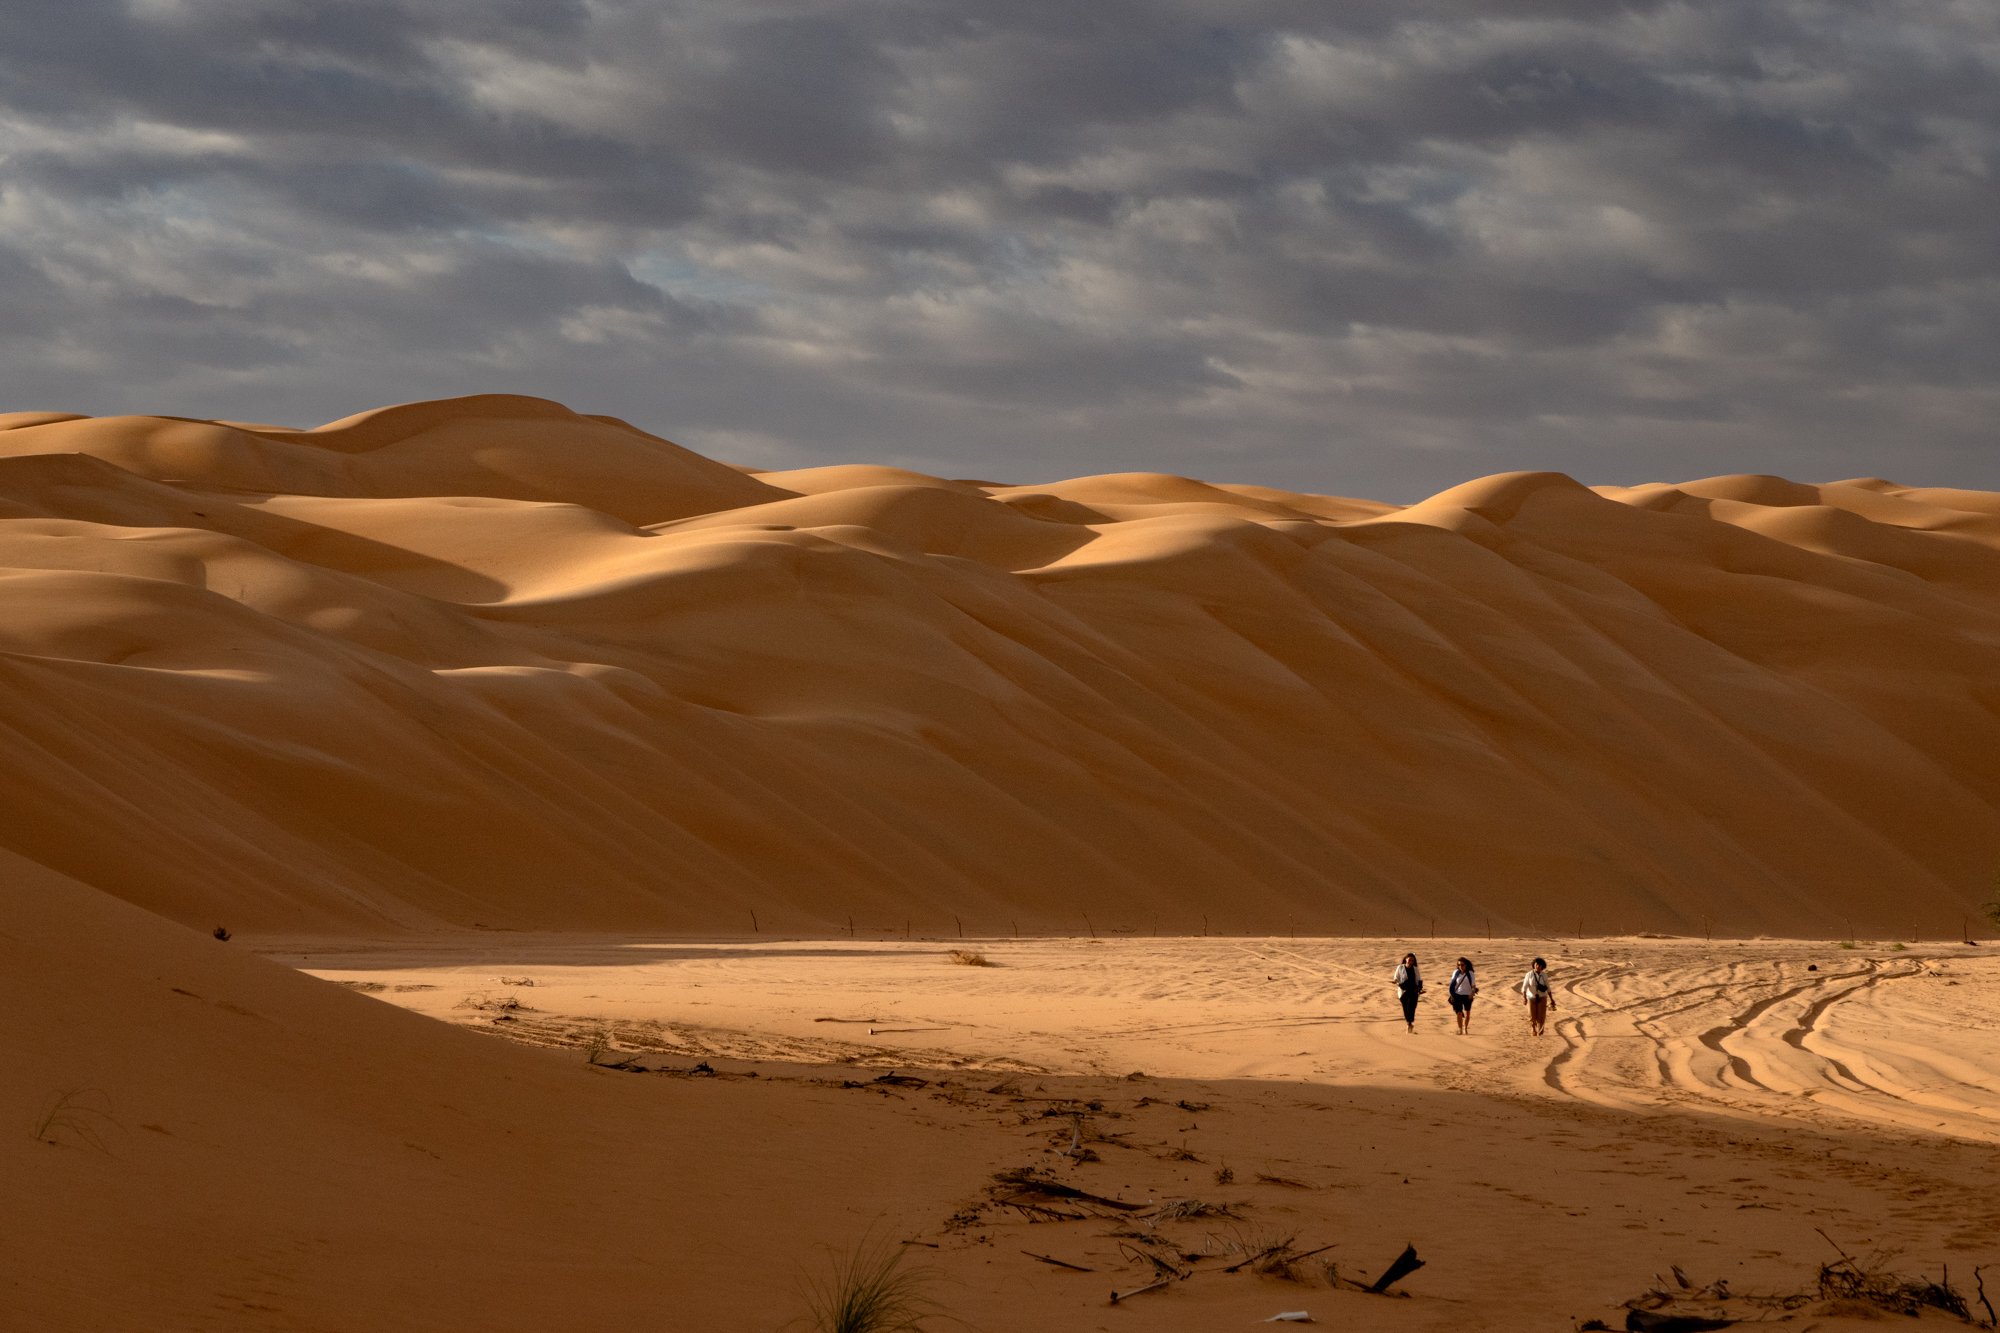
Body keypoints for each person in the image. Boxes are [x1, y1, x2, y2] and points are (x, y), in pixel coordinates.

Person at [1520, 956, 1555, 1036]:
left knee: (1541, 1016)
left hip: (1542, 997)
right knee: (1532, 1015)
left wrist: (1552, 999)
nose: (1538, 966)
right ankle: (1533, 1029)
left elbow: (1548, 987)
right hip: (1531, 997)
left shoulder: (1544, 975)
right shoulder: (1529, 974)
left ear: (1543, 966)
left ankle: (1540, 1031)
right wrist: (1524, 998)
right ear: (1534, 965)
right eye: (1537, 964)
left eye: (1540, 965)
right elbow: (1524, 987)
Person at [1392, 952, 1423, 1032]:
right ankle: (1409, 1023)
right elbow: (1396, 977)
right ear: (1406, 959)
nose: (1410, 961)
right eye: (1409, 959)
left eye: (1412, 960)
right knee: (1405, 1008)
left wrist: (1419, 988)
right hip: (1403, 991)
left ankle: (1409, 1023)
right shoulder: (1400, 967)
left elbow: (1419, 979)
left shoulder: (1415, 969)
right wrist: (1396, 982)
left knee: (1412, 1007)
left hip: (1413, 991)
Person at [1447, 957, 1478, 1034]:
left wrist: (1472, 993)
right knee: (1459, 1013)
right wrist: (1452, 993)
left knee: (1467, 1012)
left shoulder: (1470, 973)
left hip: (1468, 995)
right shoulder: (1455, 972)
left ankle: (1466, 1028)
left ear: (1466, 965)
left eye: (1462, 965)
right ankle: (1460, 1029)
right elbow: (1452, 983)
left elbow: (1473, 985)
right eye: (1459, 965)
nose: (1460, 966)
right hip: (1457, 995)